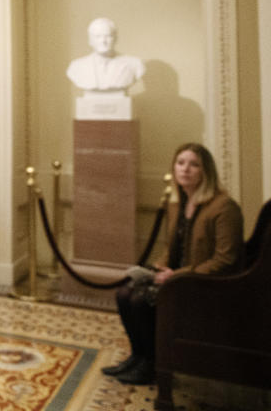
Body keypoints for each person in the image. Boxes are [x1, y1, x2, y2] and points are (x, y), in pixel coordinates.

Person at [102, 143, 243, 385]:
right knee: (124, 293)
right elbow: (171, 248)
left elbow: (225, 260)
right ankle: (138, 355)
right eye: (180, 163)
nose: (185, 169)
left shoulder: (223, 207)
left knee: (139, 301)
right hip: (177, 276)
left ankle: (153, 364)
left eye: (193, 164)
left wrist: (177, 275)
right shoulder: (178, 203)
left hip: (204, 284)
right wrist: (156, 269)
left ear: (205, 171)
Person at [66, 17, 146, 92]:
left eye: (108, 36)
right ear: (90, 40)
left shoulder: (134, 64)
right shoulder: (77, 66)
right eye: (98, 37)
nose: (103, 41)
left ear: (115, 38)